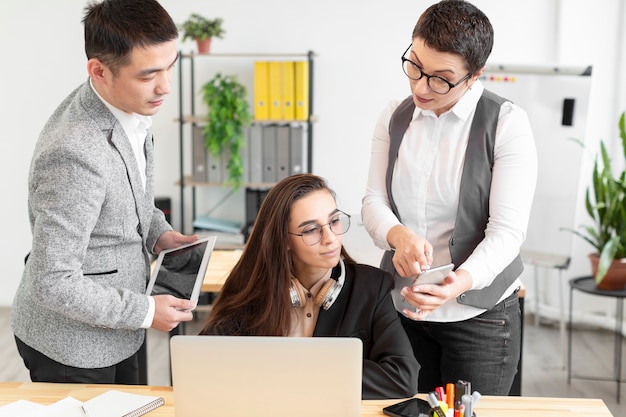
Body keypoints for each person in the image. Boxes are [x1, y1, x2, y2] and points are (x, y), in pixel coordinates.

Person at [11, 0, 198, 384]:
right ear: (98, 71)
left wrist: (157, 231)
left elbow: (132, 196)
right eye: (149, 75)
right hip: (71, 345)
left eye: (170, 67)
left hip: (118, 328)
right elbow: (52, 280)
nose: (165, 86)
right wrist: (147, 312)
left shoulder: (126, 106)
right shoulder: (74, 151)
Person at [361, 0, 538, 395]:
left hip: (481, 317)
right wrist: (397, 236)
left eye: (441, 79)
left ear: (475, 76)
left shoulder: (507, 124)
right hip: (402, 309)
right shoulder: (394, 116)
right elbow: (374, 201)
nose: (422, 87)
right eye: (415, 66)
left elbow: (507, 232)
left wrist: (458, 283)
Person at [200, 173, 419, 400]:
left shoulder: (372, 287)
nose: (330, 238)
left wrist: (299, 371)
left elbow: (402, 377)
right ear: (284, 240)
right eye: (311, 230)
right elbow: (202, 363)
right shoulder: (255, 290)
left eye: (334, 221)